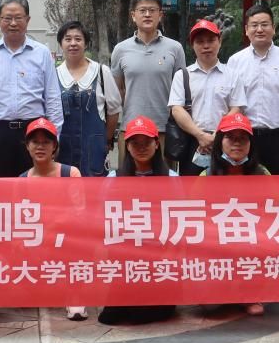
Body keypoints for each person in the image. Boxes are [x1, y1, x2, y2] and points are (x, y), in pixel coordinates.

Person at [0, 0, 64, 179]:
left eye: (18, 18)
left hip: (34, 133)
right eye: (7, 18)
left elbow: (53, 98)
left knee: (34, 188)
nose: (13, 23)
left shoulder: (42, 53)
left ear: (27, 20)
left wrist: (55, 137)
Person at [99, 116, 177, 326]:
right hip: (125, 255)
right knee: (109, 317)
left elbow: (178, 220)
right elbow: (104, 219)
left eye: (147, 142)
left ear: (157, 144)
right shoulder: (113, 179)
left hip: (160, 255)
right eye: (135, 143)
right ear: (127, 146)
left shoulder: (171, 178)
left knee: (141, 314)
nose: (141, 148)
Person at [203, 112, 273, 316]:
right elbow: (195, 221)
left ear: (251, 143)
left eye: (243, 138)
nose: (237, 143)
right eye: (230, 137)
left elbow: (273, 216)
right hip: (217, 244)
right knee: (209, 305)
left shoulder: (263, 175)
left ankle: (251, 293)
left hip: (252, 242)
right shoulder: (206, 177)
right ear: (220, 142)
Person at [19, 117, 85, 321]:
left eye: (46, 142)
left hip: (66, 237)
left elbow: (80, 212)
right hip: (36, 239)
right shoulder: (21, 180)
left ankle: (75, 296)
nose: (40, 146)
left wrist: (55, 224)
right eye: (35, 142)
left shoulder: (70, 173)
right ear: (27, 146)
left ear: (54, 146)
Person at [227, 3, 279, 175]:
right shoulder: (235, 61)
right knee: (245, 184)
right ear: (246, 30)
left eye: (264, 24)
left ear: (273, 28)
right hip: (244, 137)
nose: (259, 29)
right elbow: (230, 102)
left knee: (278, 185)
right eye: (254, 25)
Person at [168, 19, 242, 175]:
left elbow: (236, 108)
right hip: (192, 141)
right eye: (200, 41)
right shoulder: (183, 75)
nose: (206, 46)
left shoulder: (232, 75)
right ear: (192, 45)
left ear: (219, 41)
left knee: (224, 186)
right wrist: (200, 135)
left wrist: (217, 135)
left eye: (211, 40)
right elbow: (177, 109)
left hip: (224, 140)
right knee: (191, 187)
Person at [110, 0, 185, 138]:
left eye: (152, 10)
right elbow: (117, 91)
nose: (147, 14)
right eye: (142, 10)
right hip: (131, 129)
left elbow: (181, 90)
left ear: (160, 15)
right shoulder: (120, 49)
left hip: (165, 129)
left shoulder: (175, 48)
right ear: (133, 15)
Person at [55, 20, 122, 178]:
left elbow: (113, 111)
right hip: (62, 148)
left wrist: (105, 140)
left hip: (94, 148)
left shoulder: (101, 72)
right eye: (68, 39)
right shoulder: (54, 74)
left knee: (95, 189)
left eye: (78, 39)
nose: (73, 43)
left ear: (86, 44)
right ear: (61, 44)